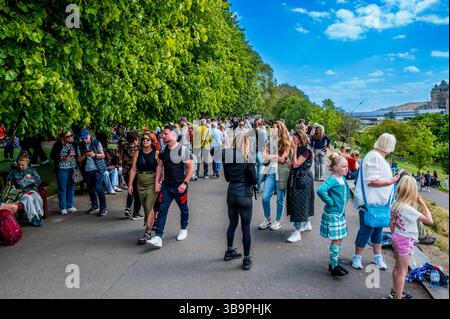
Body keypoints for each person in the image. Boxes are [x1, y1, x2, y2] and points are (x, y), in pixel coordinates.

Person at [352, 133, 399, 270]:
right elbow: (372, 181)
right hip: (371, 202)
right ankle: (357, 256)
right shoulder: (374, 157)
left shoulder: (377, 157)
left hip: (379, 202)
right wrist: (392, 181)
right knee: (367, 229)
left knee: (377, 229)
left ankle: (377, 256)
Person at [146, 125, 194, 248]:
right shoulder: (163, 150)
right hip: (167, 187)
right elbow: (160, 166)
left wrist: (185, 183)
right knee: (162, 209)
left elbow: (190, 168)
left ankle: (183, 228)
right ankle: (158, 237)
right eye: (163, 133)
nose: (163, 135)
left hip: (180, 187)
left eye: (165, 133)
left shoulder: (183, 150)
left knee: (183, 209)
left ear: (173, 135)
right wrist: (157, 182)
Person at [390, 175, 433, 299]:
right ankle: (398, 296)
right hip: (405, 240)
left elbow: (391, 222)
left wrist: (394, 235)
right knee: (402, 272)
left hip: (397, 238)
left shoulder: (395, 204)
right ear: (413, 192)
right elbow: (429, 221)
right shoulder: (408, 209)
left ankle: (395, 292)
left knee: (397, 268)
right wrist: (423, 203)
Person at [223, 133, 257, 270]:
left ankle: (229, 250)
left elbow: (226, 178)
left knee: (232, 223)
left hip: (231, 193)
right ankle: (247, 258)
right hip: (244, 194)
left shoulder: (228, 158)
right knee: (245, 227)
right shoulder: (248, 158)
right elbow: (254, 179)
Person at [316, 153, 351, 276]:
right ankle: (334, 266)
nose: (346, 169)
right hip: (333, 214)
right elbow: (320, 190)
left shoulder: (343, 179)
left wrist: (345, 201)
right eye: (343, 166)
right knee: (336, 240)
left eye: (347, 166)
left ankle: (334, 263)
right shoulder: (332, 179)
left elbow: (346, 192)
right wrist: (330, 201)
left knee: (339, 239)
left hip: (340, 213)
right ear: (335, 168)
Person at [258, 121, 291, 231]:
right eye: (272, 128)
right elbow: (264, 156)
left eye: (275, 128)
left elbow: (283, 159)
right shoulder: (270, 142)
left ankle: (277, 221)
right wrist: (276, 156)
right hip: (270, 173)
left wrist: (270, 156)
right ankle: (268, 219)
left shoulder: (287, 143)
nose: (272, 130)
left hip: (282, 174)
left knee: (280, 200)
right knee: (265, 198)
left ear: (280, 130)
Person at [128, 132, 160, 244]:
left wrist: (158, 182)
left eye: (148, 139)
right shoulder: (137, 153)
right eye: (143, 139)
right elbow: (133, 169)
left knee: (148, 206)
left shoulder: (156, 153)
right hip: (140, 182)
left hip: (152, 181)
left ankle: (147, 232)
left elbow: (160, 169)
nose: (145, 141)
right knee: (145, 204)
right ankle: (153, 221)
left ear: (152, 141)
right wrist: (130, 184)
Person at [286, 131, 315, 243]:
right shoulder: (304, 149)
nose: (293, 141)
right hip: (302, 177)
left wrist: (294, 149)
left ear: (300, 139)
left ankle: (297, 231)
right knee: (305, 201)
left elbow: (296, 163)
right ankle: (307, 223)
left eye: (295, 139)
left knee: (298, 202)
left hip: (302, 179)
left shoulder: (306, 150)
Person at [77, 129, 108, 217]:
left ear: (89, 135)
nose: (84, 140)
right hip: (86, 170)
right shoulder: (80, 145)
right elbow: (79, 160)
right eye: (82, 138)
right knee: (90, 189)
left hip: (97, 169)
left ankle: (103, 208)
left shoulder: (96, 142)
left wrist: (94, 155)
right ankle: (94, 206)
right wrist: (85, 155)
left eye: (86, 138)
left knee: (98, 188)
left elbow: (103, 155)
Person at [7, 153, 44, 226]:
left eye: (23, 165)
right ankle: (33, 218)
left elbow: (38, 181)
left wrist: (31, 178)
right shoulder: (13, 172)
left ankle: (39, 215)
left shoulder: (32, 170)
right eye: (19, 165)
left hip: (30, 190)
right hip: (20, 192)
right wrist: (13, 186)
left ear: (27, 163)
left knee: (38, 198)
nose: (20, 167)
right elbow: (8, 183)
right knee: (28, 198)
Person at [119, 131, 142, 219]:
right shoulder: (137, 148)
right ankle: (136, 213)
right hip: (134, 172)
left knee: (130, 189)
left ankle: (128, 208)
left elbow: (120, 157)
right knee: (137, 192)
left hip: (125, 172)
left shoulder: (123, 146)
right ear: (135, 139)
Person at [57, 130, 78, 215]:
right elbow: (53, 156)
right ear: (64, 138)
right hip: (62, 168)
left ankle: (70, 206)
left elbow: (77, 155)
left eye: (71, 135)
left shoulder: (74, 145)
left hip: (72, 168)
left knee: (71, 187)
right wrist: (63, 158)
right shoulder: (59, 145)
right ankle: (63, 207)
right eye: (68, 136)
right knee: (62, 188)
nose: (70, 137)